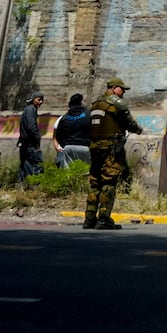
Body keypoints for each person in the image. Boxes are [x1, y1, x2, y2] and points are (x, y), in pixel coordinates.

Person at [84, 78, 143, 230]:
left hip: (94, 147)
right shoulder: (116, 103)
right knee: (108, 182)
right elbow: (129, 123)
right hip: (111, 148)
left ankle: (89, 218)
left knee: (95, 182)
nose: (123, 93)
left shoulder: (95, 104)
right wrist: (138, 129)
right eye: (122, 89)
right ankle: (104, 218)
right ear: (115, 88)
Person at [53, 93, 92, 169]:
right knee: (85, 172)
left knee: (69, 173)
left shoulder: (65, 117)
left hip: (68, 148)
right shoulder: (88, 115)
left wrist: (66, 144)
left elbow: (58, 135)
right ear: (81, 103)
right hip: (85, 148)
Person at [18, 90, 45, 183]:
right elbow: (31, 127)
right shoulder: (30, 110)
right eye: (39, 99)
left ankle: (23, 186)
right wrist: (37, 140)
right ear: (33, 100)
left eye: (42, 100)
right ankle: (35, 186)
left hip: (26, 144)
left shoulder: (29, 109)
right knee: (37, 164)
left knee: (25, 165)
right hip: (30, 144)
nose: (40, 102)